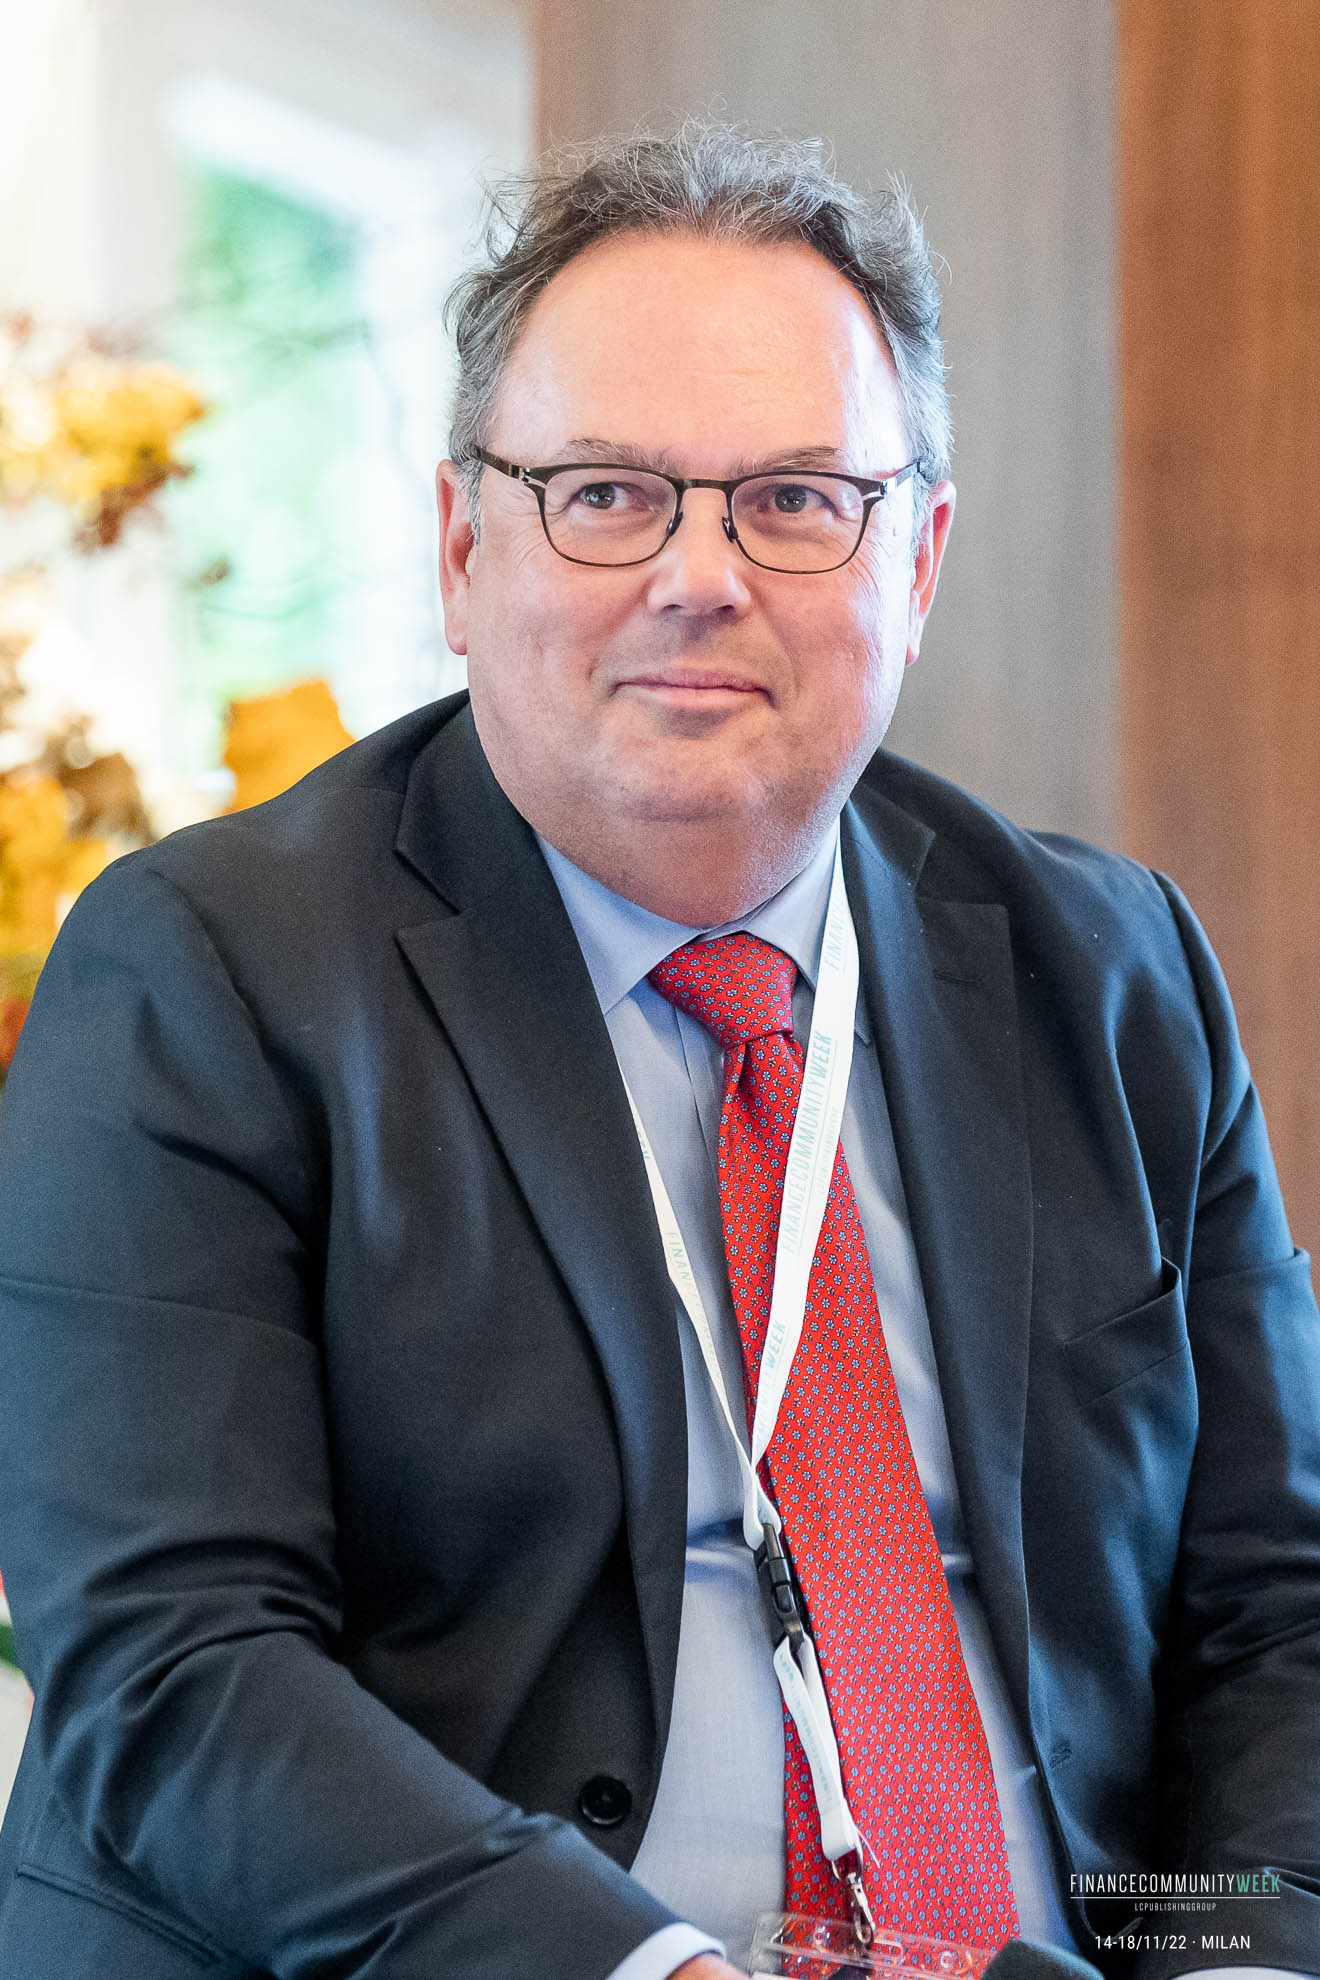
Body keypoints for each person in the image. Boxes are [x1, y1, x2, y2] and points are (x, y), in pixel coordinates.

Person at [0, 122, 1317, 1980]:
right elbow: (177, 1668)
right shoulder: (207, 975)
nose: (700, 575)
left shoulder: (1113, 976)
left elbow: (1279, 1616)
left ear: (919, 561)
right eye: (607, 494)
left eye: (796, 499)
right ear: (462, 549)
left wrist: (1239, 1963)